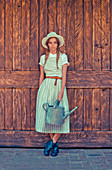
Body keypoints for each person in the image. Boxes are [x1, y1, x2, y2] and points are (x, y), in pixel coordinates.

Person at [35, 32, 70, 157]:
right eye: (50, 42)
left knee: (59, 116)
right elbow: (41, 75)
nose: (53, 45)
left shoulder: (63, 57)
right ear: (47, 44)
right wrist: (40, 91)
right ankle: (54, 147)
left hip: (58, 85)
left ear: (58, 44)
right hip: (46, 86)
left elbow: (64, 75)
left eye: (55, 42)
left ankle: (51, 143)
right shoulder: (43, 58)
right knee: (49, 116)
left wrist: (61, 91)